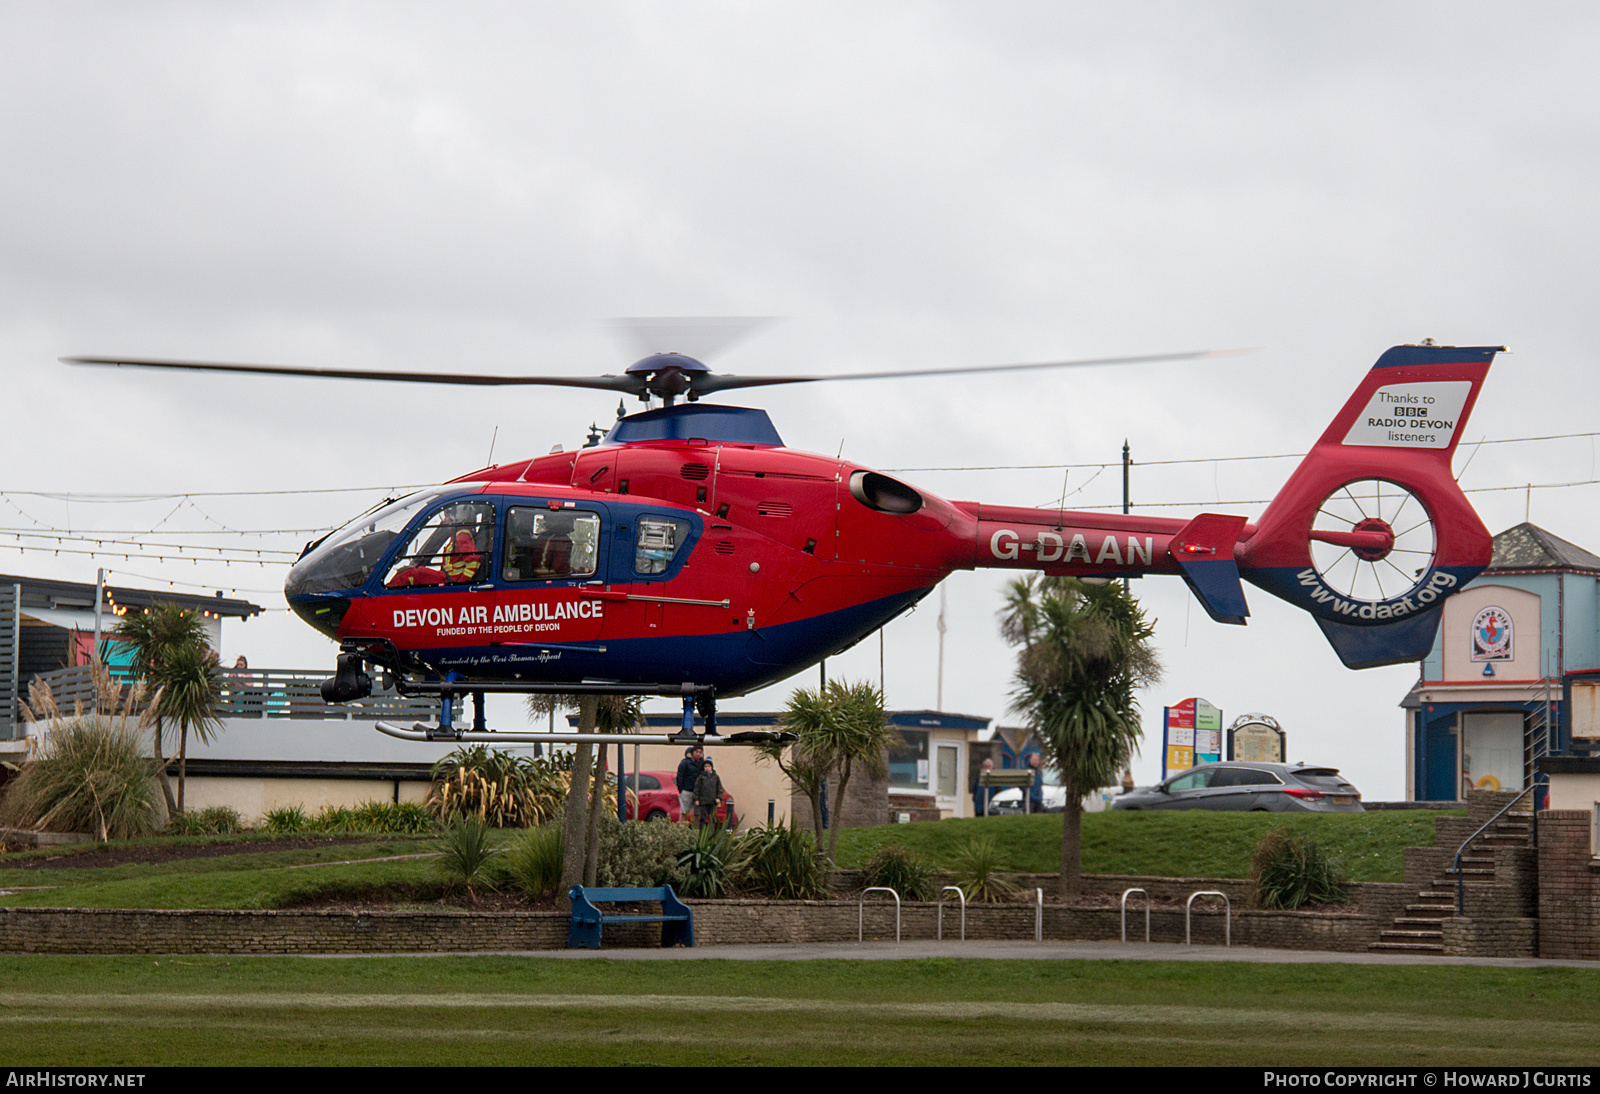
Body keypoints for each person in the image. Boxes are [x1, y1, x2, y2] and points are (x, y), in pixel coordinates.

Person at [675, 745, 705, 822]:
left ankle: (696, 832)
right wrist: (681, 790)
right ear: (692, 753)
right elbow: (680, 777)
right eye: (696, 752)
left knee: (697, 814)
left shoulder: (703, 764)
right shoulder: (685, 763)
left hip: (698, 793)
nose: (698, 754)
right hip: (687, 791)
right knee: (684, 813)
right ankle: (681, 831)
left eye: (700, 752)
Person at [693, 758, 725, 827]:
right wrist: (696, 799)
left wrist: (719, 797)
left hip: (712, 801)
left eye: (709, 766)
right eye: (705, 766)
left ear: (712, 767)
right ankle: (702, 832)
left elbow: (719, 788)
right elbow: (697, 788)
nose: (707, 768)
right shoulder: (701, 777)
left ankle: (711, 832)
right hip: (703, 801)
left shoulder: (716, 777)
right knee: (703, 818)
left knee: (712, 818)